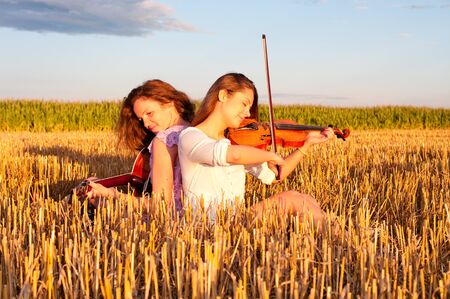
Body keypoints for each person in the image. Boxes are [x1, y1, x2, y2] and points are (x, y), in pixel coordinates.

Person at [178, 73, 334, 228]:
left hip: (235, 222)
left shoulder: (234, 141)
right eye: (244, 103)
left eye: (250, 107)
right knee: (293, 200)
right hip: (207, 226)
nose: (247, 113)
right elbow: (235, 155)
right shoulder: (191, 137)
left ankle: (328, 238)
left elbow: (275, 176)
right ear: (223, 95)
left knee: (304, 198)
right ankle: (339, 239)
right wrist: (269, 155)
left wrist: (306, 144)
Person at [84, 79, 194, 213]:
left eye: (149, 113)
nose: (146, 124)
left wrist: (112, 194)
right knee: (93, 181)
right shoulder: (197, 130)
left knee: (93, 192)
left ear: (170, 103)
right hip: (199, 216)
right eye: (141, 119)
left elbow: (161, 206)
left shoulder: (164, 140)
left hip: (171, 220)